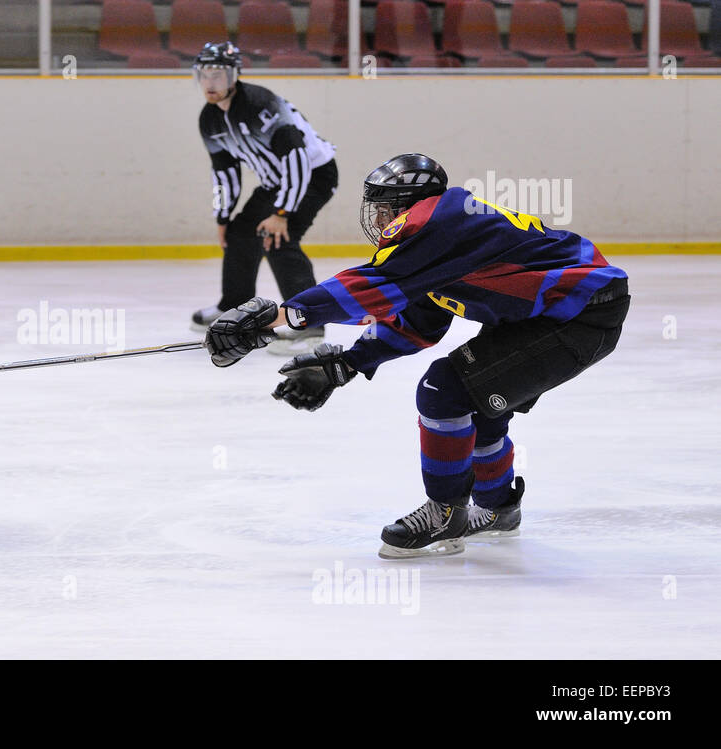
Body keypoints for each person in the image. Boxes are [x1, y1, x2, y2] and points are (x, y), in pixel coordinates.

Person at [203, 153, 630, 558]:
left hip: (579, 315)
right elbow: (418, 322)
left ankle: (445, 512)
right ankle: (498, 507)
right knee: (479, 403)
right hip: (561, 312)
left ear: (412, 205)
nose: (380, 219)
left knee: (443, 391)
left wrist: (284, 315)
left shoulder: (440, 219)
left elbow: (370, 286)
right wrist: (349, 365)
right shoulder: (439, 243)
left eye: (386, 208)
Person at [191, 41, 338, 354]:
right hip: (276, 182)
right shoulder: (210, 119)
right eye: (204, 75)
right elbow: (224, 173)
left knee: (277, 239)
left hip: (314, 176)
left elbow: (296, 157)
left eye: (218, 74)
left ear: (234, 76)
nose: (210, 83)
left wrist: (282, 213)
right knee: (239, 233)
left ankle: (309, 325)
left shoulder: (262, 104)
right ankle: (234, 309)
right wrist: (223, 216)